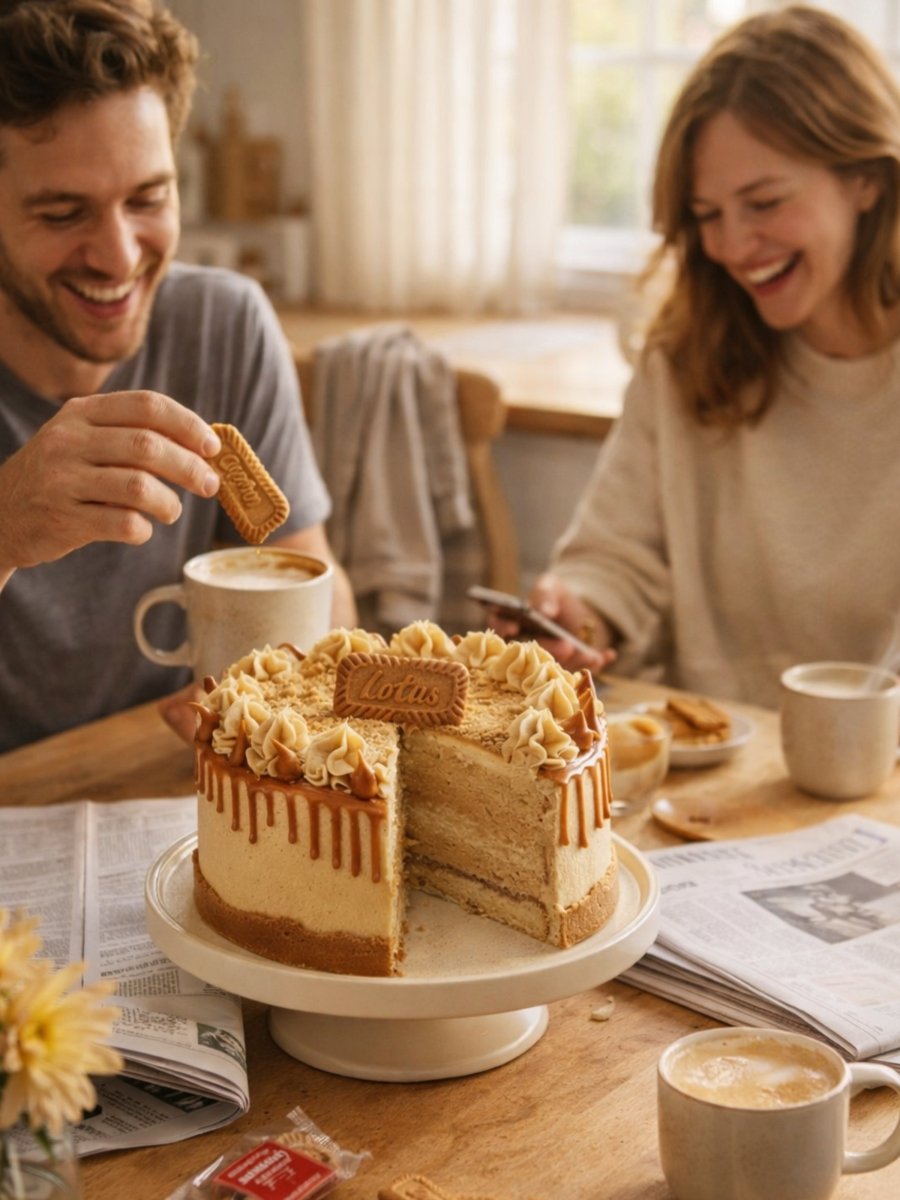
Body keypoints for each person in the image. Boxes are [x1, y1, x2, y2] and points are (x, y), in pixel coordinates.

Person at [508, 5, 900, 709]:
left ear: (866, 177)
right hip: (712, 764)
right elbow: (615, 556)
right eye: (708, 215)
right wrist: (577, 614)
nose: (732, 247)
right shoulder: (685, 356)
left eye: (765, 202)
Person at [0, 0, 356, 754]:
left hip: (163, 785)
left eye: (148, 199)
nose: (120, 257)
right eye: (64, 213)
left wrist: (273, 690)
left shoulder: (222, 324)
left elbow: (324, 592)